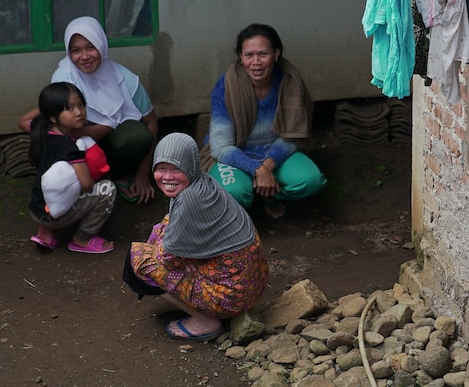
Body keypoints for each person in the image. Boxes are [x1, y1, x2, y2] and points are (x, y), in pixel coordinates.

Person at [123, 133, 269, 340]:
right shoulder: (202, 182)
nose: (167, 176)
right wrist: (183, 256)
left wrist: (179, 258)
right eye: (161, 168)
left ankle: (204, 320)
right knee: (161, 229)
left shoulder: (191, 200)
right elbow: (170, 229)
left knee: (136, 258)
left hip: (231, 296)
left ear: (190, 167)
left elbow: (167, 259)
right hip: (249, 283)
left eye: (176, 169)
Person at [202, 23, 326, 216]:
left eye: (263, 54)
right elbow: (220, 147)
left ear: (276, 54)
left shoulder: (290, 82)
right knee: (231, 192)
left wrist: (267, 165)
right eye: (249, 55)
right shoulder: (226, 86)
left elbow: (293, 134)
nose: (256, 61)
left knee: (311, 181)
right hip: (236, 153)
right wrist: (257, 170)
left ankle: (268, 195)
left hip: (276, 152)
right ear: (241, 58)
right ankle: (254, 197)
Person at [51, 16, 157, 203]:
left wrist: (143, 173)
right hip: (79, 156)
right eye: (76, 50)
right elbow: (62, 134)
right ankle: (85, 187)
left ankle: (118, 175)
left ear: (101, 45)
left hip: (114, 150)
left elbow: (151, 122)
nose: (84, 56)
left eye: (90, 47)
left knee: (138, 135)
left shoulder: (125, 79)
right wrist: (107, 126)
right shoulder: (63, 81)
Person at [19, 83, 117, 253]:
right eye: (69, 108)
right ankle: (82, 239)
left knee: (54, 184)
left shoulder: (40, 130)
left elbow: (22, 121)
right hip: (55, 214)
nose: (79, 112)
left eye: (80, 105)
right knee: (108, 189)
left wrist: (50, 107)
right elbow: (87, 184)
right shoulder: (70, 147)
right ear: (53, 115)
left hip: (37, 208)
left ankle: (45, 234)